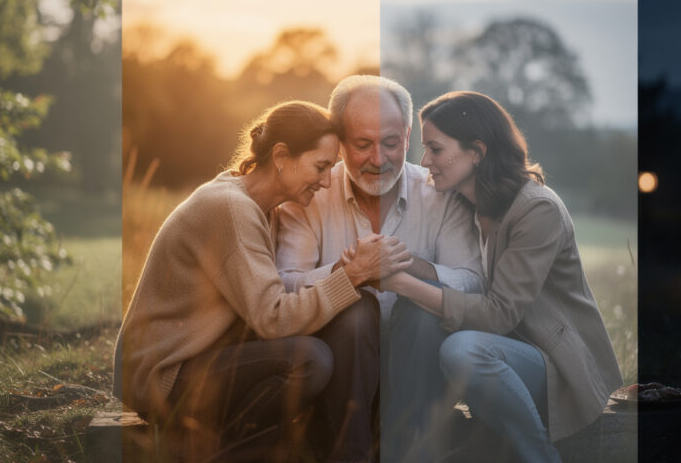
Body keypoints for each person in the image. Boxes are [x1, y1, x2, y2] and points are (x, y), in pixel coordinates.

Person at [113, 101, 381, 463]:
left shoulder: (261, 208)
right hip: (163, 376)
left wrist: (347, 282)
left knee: (357, 307)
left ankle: (345, 451)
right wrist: (349, 275)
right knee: (309, 360)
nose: (326, 180)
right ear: (282, 156)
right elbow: (271, 319)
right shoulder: (231, 209)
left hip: (206, 356)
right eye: (321, 167)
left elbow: (266, 306)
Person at [375, 91, 622, 463]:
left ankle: (540, 456)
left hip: (556, 366)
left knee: (462, 349)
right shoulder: (463, 200)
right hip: (503, 355)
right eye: (424, 149)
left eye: (436, 150)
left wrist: (401, 283)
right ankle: (411, 447)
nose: (425, 162)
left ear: (477, 151)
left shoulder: (537, 209)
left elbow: (498, 314)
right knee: (424, 321)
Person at [275, 75, 484, 323]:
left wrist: (404, 263)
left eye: (391, 143)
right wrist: (351, 271)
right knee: (354, 310)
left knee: (420, 312)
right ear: (339, 144)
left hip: (421, 345)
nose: (378, 159)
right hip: (342, 347)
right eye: (363, 145)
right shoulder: (308, 194)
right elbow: (286, 285)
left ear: (407, 138)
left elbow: (474, 284)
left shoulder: (443, 194)